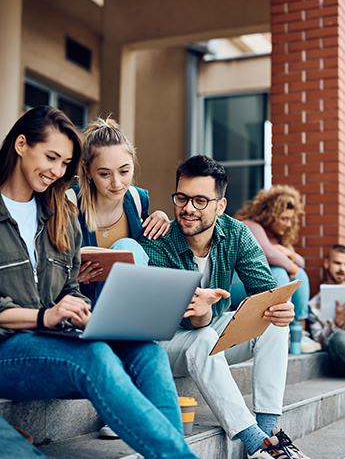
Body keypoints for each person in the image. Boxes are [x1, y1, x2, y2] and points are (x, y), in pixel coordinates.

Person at [0, 106, 200, 459]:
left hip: (55, 340)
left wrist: (83, 312)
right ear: (20, 145)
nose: (57, 171)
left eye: (64, 163)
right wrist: (46, 316)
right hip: (10, 349)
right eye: (51, 157)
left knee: (148, 354)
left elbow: (68, 291)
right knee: (94, 355)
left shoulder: (58, 212)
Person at [139, 155, 310, 459]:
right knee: (202, 338)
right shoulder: (159, 239)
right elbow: (178, 320)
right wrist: (201, 312)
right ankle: (256, 444)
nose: (188, 208)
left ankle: (270, 429)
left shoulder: (236, 233)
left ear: (220, 206)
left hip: (206, 331)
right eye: (182, 197)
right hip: (162, 342)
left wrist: (282, 308)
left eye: (201, 200)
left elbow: (266, 291)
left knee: (272, 320)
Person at [72, 117, 170, 308]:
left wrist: (163, 218)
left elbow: (146, 255)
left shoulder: (137, 199)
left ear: (133, 163)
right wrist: (70, 278)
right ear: (87, 170)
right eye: (105, 174)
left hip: (130, 303)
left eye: (124, 171)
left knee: (129, 246)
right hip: (83, 307)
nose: (117, 184)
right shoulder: (69, 205)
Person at [233, 185, 321, 354]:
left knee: (300, 275)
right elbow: (267, 252)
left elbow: (300, 263)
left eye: (291, 220)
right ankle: (281, 331)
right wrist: (288, 261)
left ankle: (298, 333)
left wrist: (286, 252)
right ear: (270, 214)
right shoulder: (251, 225)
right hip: (238, 284)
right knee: (280, 272)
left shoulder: (279, 238)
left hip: (264, 287)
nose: (288, 224)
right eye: (284, 218)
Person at [309, 245, 345, 376]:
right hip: (339, 352)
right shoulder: (314, 305)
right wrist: (336, 323)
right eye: (337, 263)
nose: (342, 268)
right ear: (326, 263)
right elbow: (320, 342)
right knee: (338, 337)